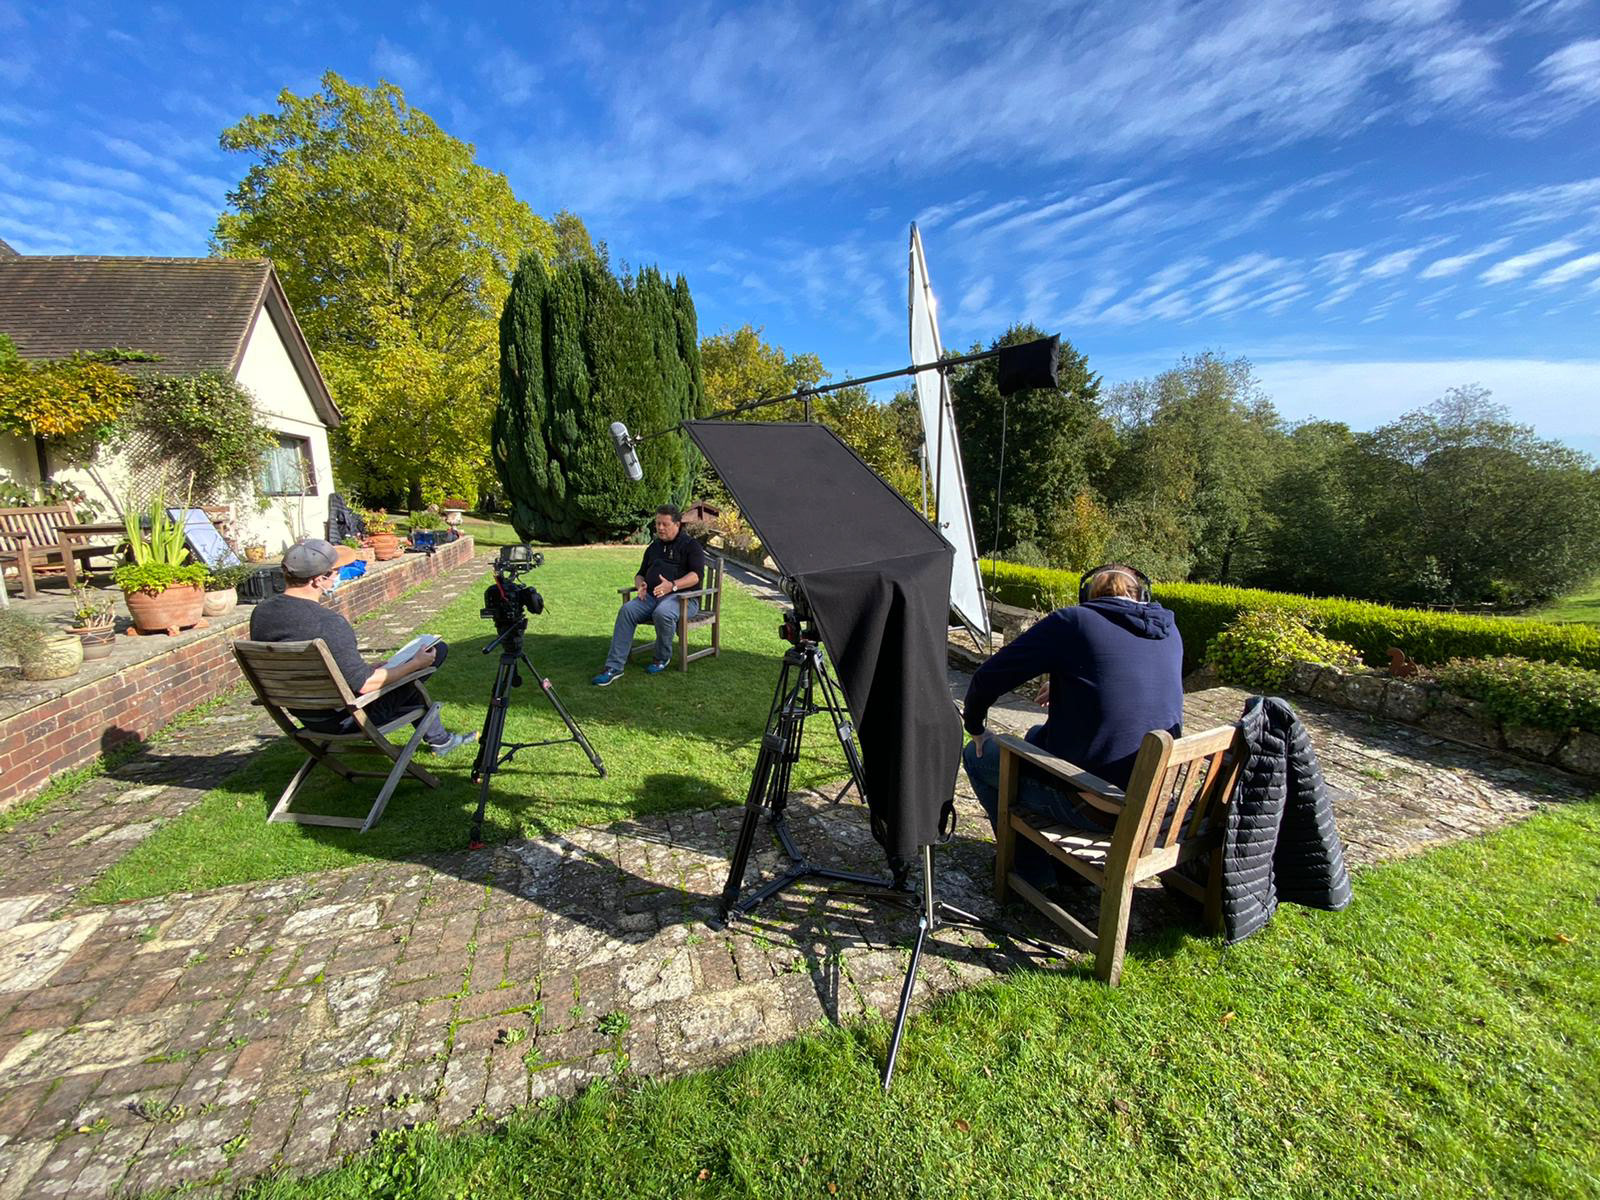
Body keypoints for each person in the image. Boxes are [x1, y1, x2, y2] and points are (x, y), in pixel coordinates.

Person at [962, 563, 1183, 888]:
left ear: (1088, 596)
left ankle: (1029, 869)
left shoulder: (1074, 622)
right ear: (1142, 594)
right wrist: (1073, 681)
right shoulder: (1169, 630)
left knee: (979, 757)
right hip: (1155, 801)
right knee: (1035, 736)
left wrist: (976, 727)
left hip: (1100, 806)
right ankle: (1051, 858)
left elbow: (988, 678)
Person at [248, 538, 476, 754]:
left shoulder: (262, 614)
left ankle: (441, 740)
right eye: (336, 572)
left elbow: (312, 668)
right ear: (318, 579)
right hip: (348, 718)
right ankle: (441, 740)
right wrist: (415, 664)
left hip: (307, 714)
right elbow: (365, 685)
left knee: (403, 676)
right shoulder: (327, 623)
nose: (339, 576)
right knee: (432, 655)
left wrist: (368, 668)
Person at [592, 505, 706, 685]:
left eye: (665, 524)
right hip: (651, 596)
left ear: (677, 524)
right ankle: (613, 667)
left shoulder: (691, 546)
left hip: (682, 599)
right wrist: (640, 585)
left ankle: (661, 657)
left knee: (663, 612)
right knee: (627, 611)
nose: (660, 528)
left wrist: (673, 586)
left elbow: (696, 576)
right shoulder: (654, 547)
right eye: (657, 524)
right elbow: (640, 573)